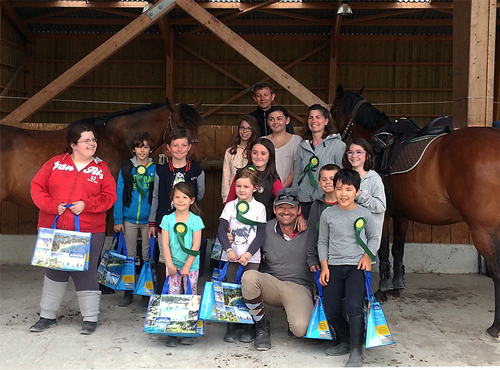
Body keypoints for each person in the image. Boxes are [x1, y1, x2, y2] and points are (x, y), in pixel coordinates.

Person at [30, 125, 117, 335]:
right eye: (86, 140)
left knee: (86, 271)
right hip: (56, 226)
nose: (92, 144)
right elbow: (37, 187)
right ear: (72, 145)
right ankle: (47, 315)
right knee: (54, 270)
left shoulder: (101, 168)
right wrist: (52, 206)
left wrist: (86, 205)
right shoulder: (54, 164)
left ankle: (90, 318)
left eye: (93, 139)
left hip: (89, 229)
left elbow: (109, 196)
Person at [317, 169, 380, 367]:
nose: (343, 194)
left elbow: (374, 238)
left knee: (354, 306)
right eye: (339, 189)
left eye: (348, 189)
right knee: (330, 308)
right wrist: (324, 266)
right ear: (333, 190)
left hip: (356, 267)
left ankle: (356, 352)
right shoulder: (328, 214)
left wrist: (367, 257)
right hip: (333, 266)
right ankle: (346, 340)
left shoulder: (364, 213)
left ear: (357, 191)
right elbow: (322, 242)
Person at [241, 187, 315, 351]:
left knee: (300, 329)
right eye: (281, 207)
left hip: (299, 286)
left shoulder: (310, 230)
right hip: (272, 283)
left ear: (299, 210)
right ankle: (261, 324)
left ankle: (292, 317)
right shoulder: (264, 229)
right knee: (249, 277)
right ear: (274, 209)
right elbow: (245, 246)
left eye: (291, 207)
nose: (286, 212)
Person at [148, 128, 205, 294]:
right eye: (175, 145)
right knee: (163, 257)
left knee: (187, 256)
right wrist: (153, 222)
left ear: (189, 148)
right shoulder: (161, 171)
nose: (179, 149)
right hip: (165, 222)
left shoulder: (197, 172)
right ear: (169, 148)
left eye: (183, 145)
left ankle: (186, 295)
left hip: (188, 222)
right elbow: (156, 197)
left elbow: (199, 194)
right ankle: (163, 293)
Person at [217, 168, 266, 343]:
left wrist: (248, 254)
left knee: (249, 291)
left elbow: (260, 234)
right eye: (238, 186)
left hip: (250, 258)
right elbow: (222, 230)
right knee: (231, 288)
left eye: (246, 186)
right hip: (231, 257)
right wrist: (229, 250)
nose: (242, 190)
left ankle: (250, 326)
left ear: (255, 187)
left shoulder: (259, 208)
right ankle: (231, 325)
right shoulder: (230, 206)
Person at [113, 132, 156, 307]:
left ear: (150, 150)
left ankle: (146, 292)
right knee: (129, 256)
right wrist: (118, 219)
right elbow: (118, 194)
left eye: (146, 147)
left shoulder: (155, 169)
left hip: (148, 221)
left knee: (147, 256)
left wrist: (156, 220)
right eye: (139, 146)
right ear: (133, 149)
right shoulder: (125, 167)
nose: (142, 150)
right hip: (129, 219)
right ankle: (128, 291)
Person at [160, 182, 205, 347]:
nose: (180, 200)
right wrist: (170, 265)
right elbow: (165, 244)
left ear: (192, 200)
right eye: (177, 197)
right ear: (172, 199)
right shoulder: (167, 220)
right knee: (173, 296)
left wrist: (187, 266)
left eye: (184, 197)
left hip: (191, 267)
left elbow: (196, 246)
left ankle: (188, 329)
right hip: (173, 266)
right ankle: (172, 330)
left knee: (190, 296)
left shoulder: (196, 220)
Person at [341, 138, 387, 289]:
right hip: (345, 238)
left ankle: (363, 306)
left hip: (365, 240)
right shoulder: (343, 177)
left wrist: (359, 196)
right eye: (350, 152)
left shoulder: (374, 179)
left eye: (359, 152)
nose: (354, 155)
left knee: (361, 277)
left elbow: (381, 206)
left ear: (367, 156)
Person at [292, 104, 346, 219]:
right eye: (311, 117)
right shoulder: (302, 146)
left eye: (318, 117)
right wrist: (294, 198)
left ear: (326, 121)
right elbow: (297, 174)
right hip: (304, 199)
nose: (314, 120)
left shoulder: (338, 145)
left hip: (328, 199)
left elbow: (343, 175)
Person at [225, 138, 283, 221]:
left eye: (263, 154)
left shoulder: (273, 179)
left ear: (270, 156)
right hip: (239, 224)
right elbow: (230, 200)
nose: (258, 157)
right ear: (250, 154)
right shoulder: (240, 174)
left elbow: (284, 201)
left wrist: (300, 216)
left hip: (263, 226)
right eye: (255, 153)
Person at [307, 164, 341, 273]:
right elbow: (312, 232)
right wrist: (312, 259)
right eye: (324, 179)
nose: (328, 182)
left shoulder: (348, 204)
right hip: (323, 259)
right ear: (319, 183)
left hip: (344, 259)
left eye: (332, 179)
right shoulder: (316, 206)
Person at [221, 115, 259, 203]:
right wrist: (225, 199)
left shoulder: (256, 151)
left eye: (249, 128)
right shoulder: (230, 151)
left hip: (251, 197)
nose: (244, 131)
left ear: (254, 130)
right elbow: (226, 177)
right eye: (242, 127)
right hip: (233, 196)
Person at [265, 105, 302, 188]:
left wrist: (280, 188)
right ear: (268, 122)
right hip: (266, 190)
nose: (275, 122)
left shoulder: (296, 141)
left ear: (287, 120)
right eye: (271, 119)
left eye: (279, 119)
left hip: (288, 191)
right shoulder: (262, 141)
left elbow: (297, 170)